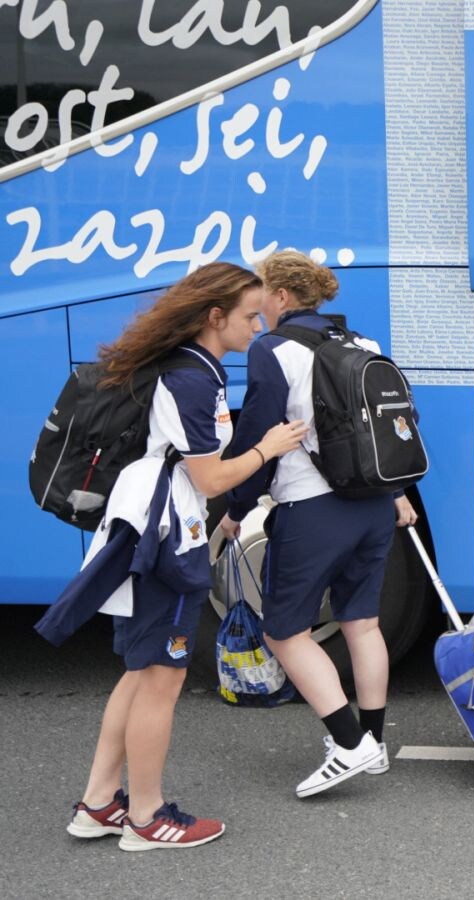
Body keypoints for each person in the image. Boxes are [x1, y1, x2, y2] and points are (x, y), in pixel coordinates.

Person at [64, 262, 309, 850]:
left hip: (148, 527)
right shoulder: (194, 381)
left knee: (141, 671)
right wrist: (268, 447)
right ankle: (147, 818)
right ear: (214, 316)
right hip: (168, 537)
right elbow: (208, 476)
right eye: (250, 315)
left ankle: (100, 803)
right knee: (161, 681)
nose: (258, 325)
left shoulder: (185, 369)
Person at [218, 250, 417, 797]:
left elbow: (258, 434)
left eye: (261, 289)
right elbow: (382, 431)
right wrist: (396, 492)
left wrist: (237, 509)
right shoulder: (364, 345)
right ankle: (372, 745)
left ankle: (349, 742)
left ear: (280, 296)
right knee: (363, 623)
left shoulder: (272, 349)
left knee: (284, 632)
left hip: (313, 507)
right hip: (374, 503)